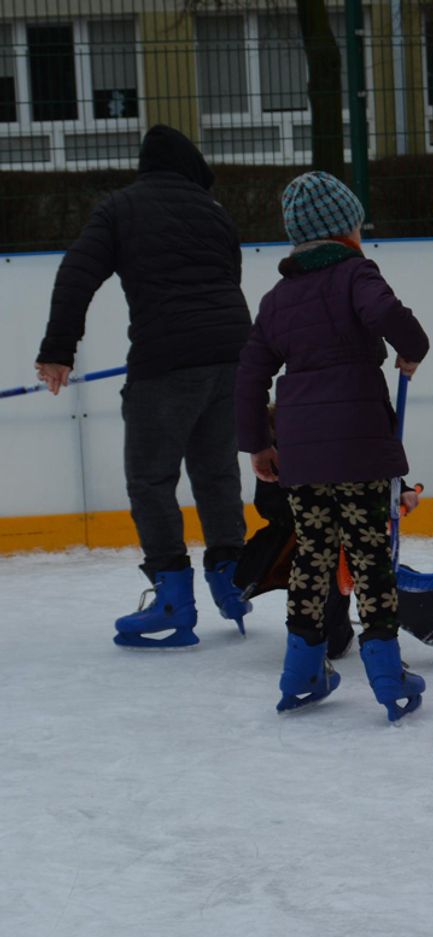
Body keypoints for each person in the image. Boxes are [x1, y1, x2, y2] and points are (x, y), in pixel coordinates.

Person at [35, 124, 253, 648]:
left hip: (165, 363)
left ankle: (173, 600)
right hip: (232, 356)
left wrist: (58, 351)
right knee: (217, 471)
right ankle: (232, 581)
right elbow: (230, 277)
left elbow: (77, 273)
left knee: (151, 479)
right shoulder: (214, 211)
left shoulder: (121, 208)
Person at [235, 171, 429, 719]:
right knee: (371, 558)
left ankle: (300, 672)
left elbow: (250, 375)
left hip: (303, 455)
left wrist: (257, 446)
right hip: (361, 450)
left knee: (313, 558)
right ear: (347, 229)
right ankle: (389, 677)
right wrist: (412, 347)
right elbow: (390, 317)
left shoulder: (278, 298)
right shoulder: (355, 274)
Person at [234, 417, 433, 664]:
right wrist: (317, 513)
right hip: (310, 550)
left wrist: (400, 489)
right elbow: (269, 505)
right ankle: (321, 642)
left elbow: (375, 463)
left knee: (381, 578)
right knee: (332, 645)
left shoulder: (349, 427)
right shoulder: (284, 443)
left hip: (355, 537)